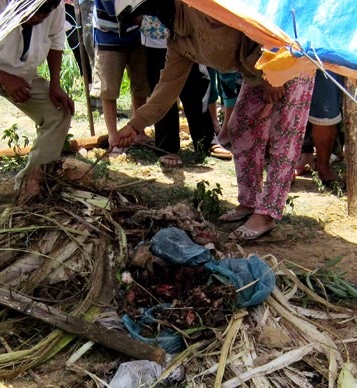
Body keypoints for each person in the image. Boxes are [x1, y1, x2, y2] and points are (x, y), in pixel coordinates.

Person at [112, 0, 314, 240]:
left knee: (284, 136)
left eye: (139, 20)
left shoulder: (205, 9)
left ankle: (268, 214)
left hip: (286, 59)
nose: (143, 28)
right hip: (257, 73)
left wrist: (274, 76)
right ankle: (249, 202)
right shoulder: (178, 39)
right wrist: (134, 125)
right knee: (241, 128)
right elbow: (167, 86)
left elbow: (257, 23)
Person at [0, 0, 74, 217]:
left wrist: (55, 83)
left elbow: (55, 41)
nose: (38, 20)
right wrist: (3, 78)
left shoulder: (53, 7)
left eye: (43, 16)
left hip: (20, 75)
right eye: (33, 16)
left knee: (58, 112)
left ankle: (33, 182)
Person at [141, 15, 231, 167]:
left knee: (198, 85)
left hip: (189, 32)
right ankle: (166, 146)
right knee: (162, 88)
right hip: (156, 36)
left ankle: (206, 139)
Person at [91, 0, 151, 152]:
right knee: (108, 88)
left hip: (138, 32)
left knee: (141, 83)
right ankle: (113, 136)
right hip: (107, 33)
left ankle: (139, 130)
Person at [295, 70, 343, 185]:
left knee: (325, 111)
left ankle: (323, 167)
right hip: (293, 55)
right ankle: (289, 167)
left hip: (327, 57)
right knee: (291, 109)